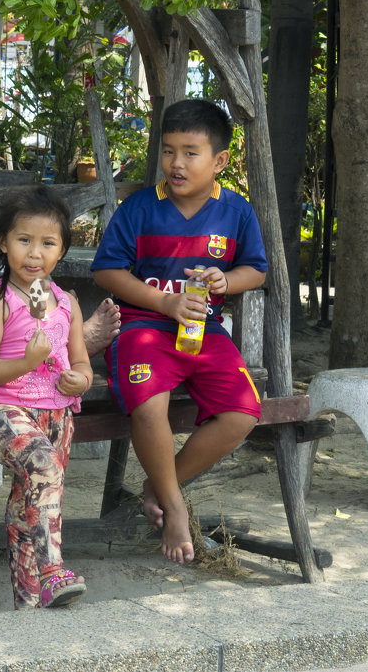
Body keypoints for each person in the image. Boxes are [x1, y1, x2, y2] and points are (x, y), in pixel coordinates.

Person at [91, 98, 268, 565]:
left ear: (220, 161)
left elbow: (256, 270)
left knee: (243, 413)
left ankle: (157, 484)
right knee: (150, 408)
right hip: (142, 328)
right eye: (169, 151)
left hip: (204, 332)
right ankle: (174, 509)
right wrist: (165, 302)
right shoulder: (139, 209)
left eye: (191, 152)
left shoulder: (236, 213)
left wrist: (226, 280)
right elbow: (108, 271)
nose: (176, 163)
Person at [0, 186, 93, 610]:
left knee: (28, 507)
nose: (34, 254)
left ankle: (28, 607)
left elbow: (81, 361)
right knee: (41, 464)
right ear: (3, 243)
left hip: (56, 414)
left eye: (47, 243)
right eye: (23, 240)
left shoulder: (66, 303)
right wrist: (24, 361)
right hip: (4, 409)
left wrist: (80, 380)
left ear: (61, 250)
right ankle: (53, 572)